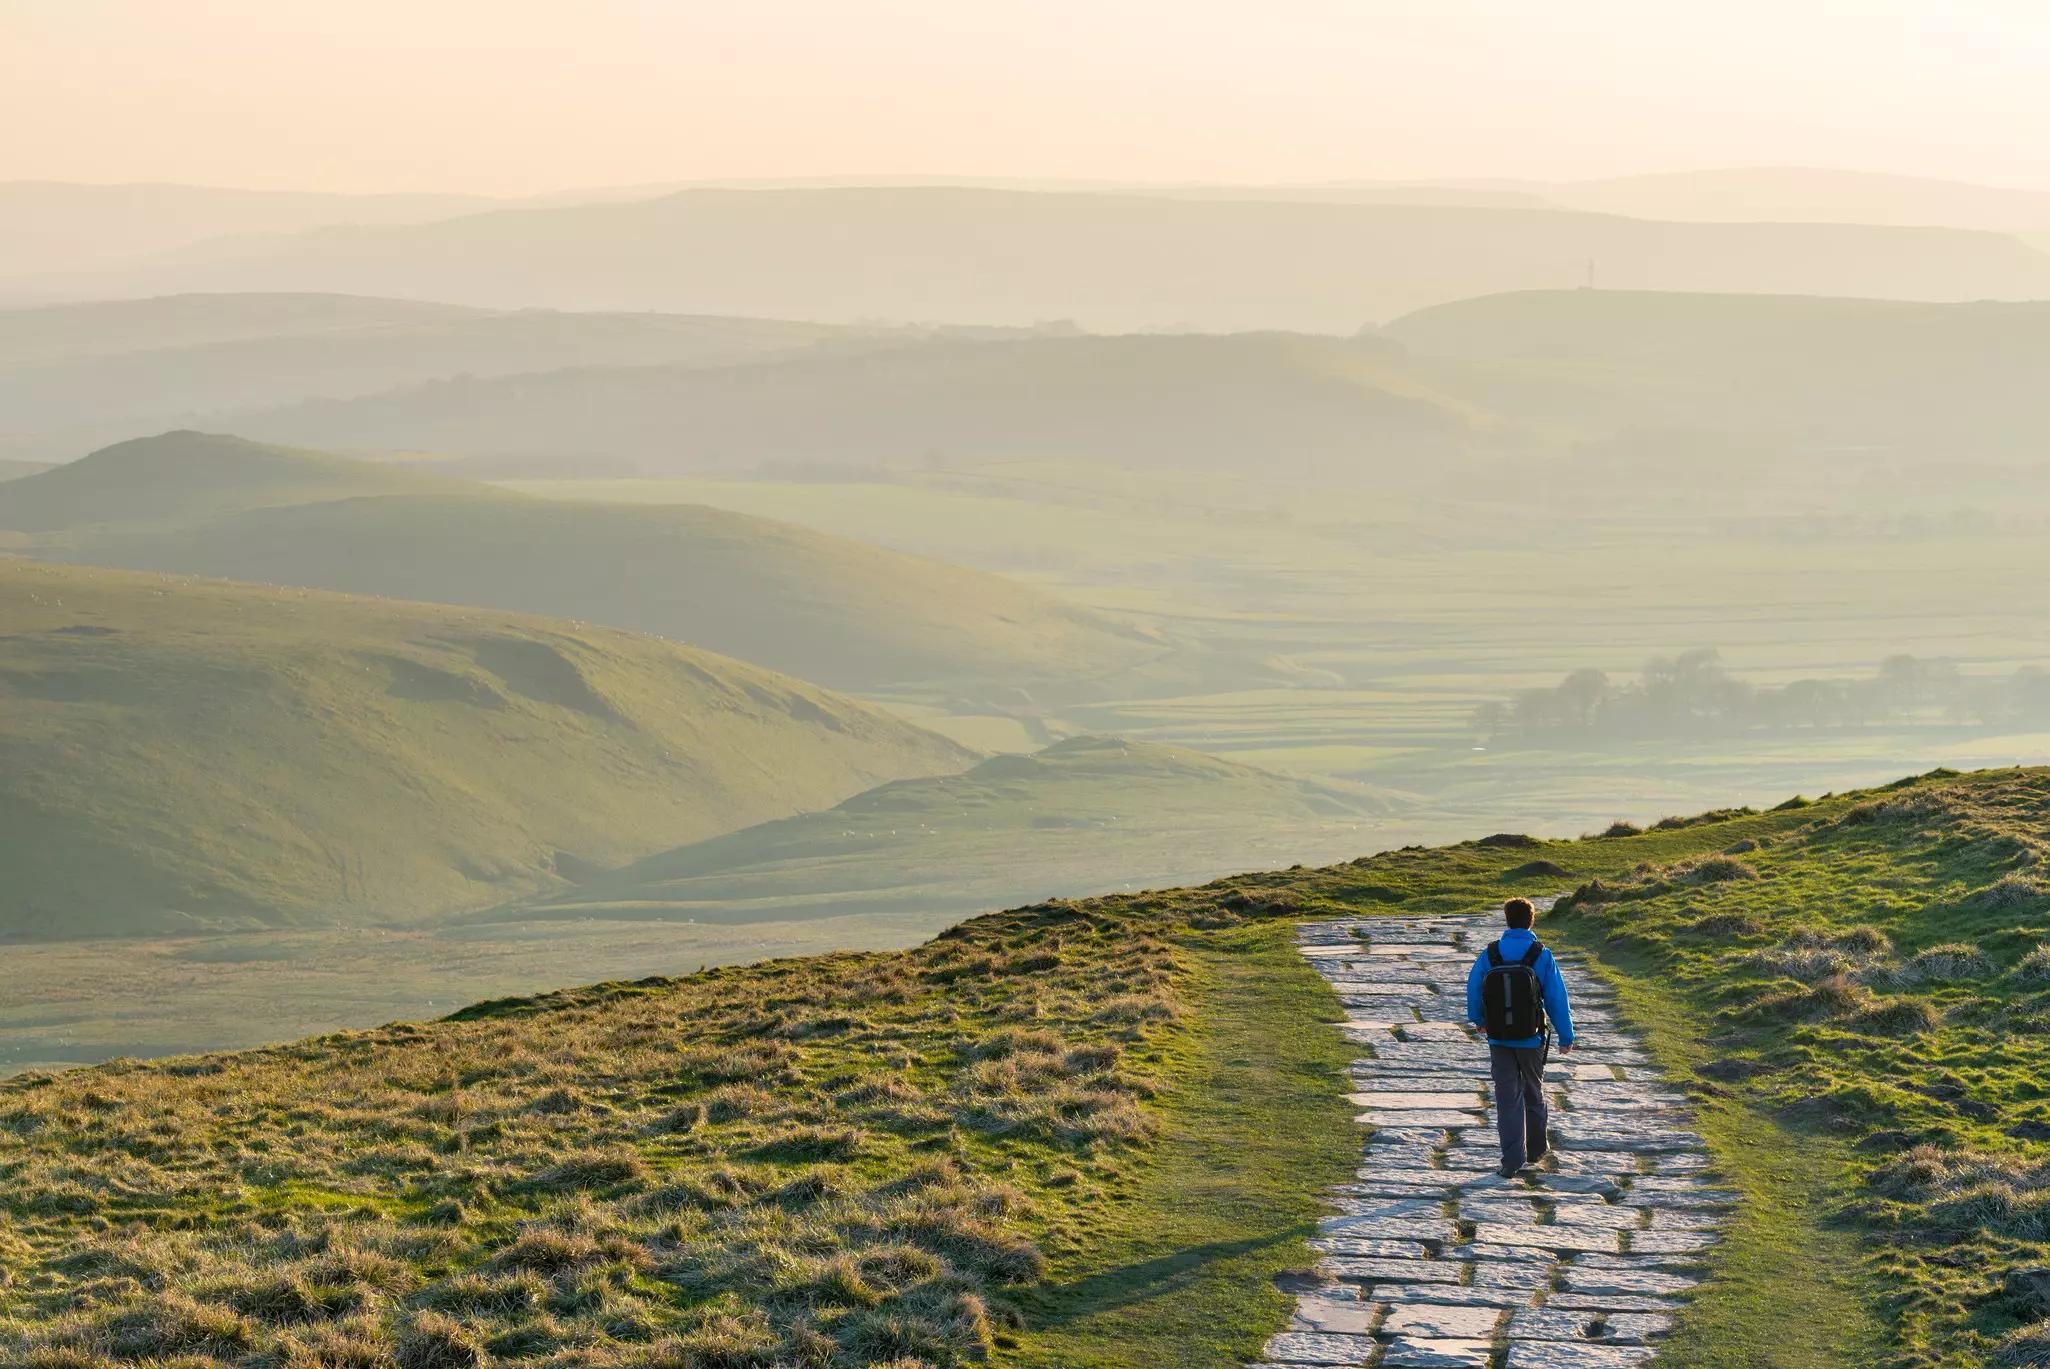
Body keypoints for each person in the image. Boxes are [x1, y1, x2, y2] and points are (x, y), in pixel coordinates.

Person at [1465, 896, 1575, 1177]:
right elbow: (1555, 997)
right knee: (1533, 1090)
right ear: (1531, 920)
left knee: (1506, 1098)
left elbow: (1474, 986)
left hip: (1499, 1038)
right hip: (1532, 1037)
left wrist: (1479, 1020)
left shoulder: (1490, 954)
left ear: (1507, 920)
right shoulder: (1541, 954)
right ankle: (1537, 1149)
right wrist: (1565, 1034)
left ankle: (1511, 1160)